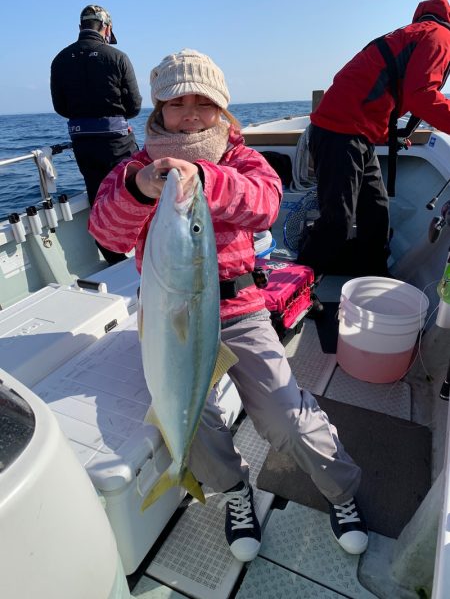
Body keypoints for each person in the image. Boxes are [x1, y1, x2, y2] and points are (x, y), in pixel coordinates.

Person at [88, 48, 368, 562]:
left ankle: (343, 490)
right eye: (177, 102)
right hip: (169, 321)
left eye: (204, 102)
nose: (190, 113)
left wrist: (207, 180)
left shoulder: (240, 158)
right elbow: (105, 230)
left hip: (239, 313)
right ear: (158, 109)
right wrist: (139, 188)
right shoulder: (134, 167)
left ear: (221, 109)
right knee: (190, 423)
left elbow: (265, 204)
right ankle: (235, 490)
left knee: (286, 416)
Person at [297, 0, 450, 278]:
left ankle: (374, 277)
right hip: (340, 132)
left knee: (376, 214)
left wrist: (387, 136)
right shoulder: (439, 36)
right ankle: (298, 285)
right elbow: (422, 96)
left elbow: (374, 92)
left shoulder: (413, 33)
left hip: (355, 133)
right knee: (337, 223)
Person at [50, 4, 142, 265]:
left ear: (81, 27)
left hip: (84, 145)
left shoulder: (60, 59)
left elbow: (61, 107)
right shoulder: (118, 57)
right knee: (134, 192)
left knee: (98, 196)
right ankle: (142, 251)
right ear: (106, 28)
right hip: (118, 143)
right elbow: (134, 107)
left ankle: (114, 259)